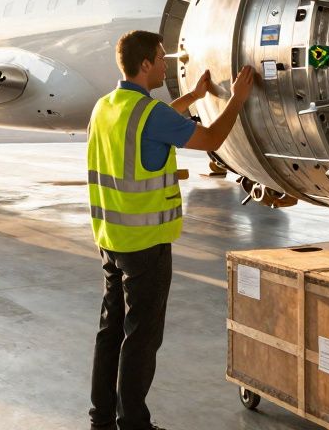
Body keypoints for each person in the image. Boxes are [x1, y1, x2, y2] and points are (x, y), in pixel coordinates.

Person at [88, 30, 254, 430]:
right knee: (141, 339)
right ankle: (134, 424)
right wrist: (237, 99)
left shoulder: (107, 106)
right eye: (162, 59)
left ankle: (101, 419)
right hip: (146, 245)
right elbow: (212, 137)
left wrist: (194, 98)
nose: (166, 64)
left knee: (111, 331)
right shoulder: (151, 115)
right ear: (145, 64)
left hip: (110, 238)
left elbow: (156, 122)